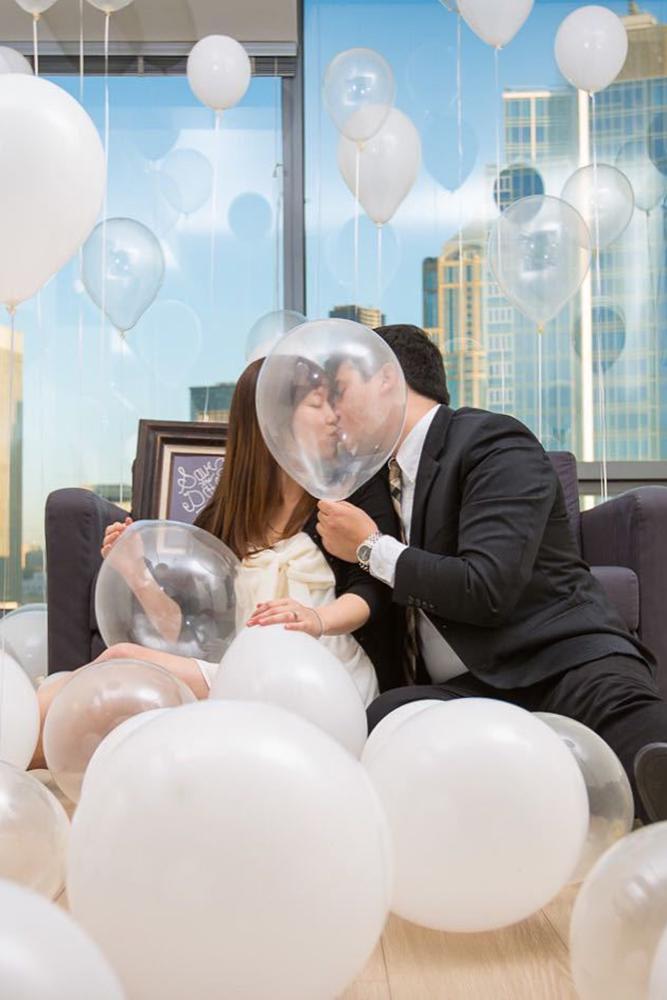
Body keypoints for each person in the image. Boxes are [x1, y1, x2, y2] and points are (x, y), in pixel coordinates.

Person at [316, 323, 667, 823]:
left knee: (649, 754)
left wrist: (371, 549)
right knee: (384, 720)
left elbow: (487, 587)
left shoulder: (490, 441)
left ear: (386, 378)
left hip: (560, 663)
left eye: (340, 391)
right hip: (469, 690)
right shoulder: (373, 484)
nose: (332, 413)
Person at [36, 358, 401, 749]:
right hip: (241, 674)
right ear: (273, 419)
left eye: (333, 403)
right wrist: (135, 571)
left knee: (121, 662)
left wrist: (314, 618)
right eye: (317, 405)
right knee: (105, 689)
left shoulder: (353, 491)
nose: (334, 417)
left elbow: (372, 591)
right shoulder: (227, 513)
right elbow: (182, 629)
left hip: (325, 684)